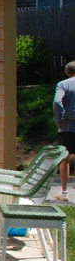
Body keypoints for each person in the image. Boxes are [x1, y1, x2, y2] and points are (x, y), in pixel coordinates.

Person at [52, 60, 75, 201]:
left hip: (68, 126)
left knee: (65, 160)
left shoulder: (63, 84)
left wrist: (59, 121)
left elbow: (57, 102)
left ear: (68, 72)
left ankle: (64, 193)